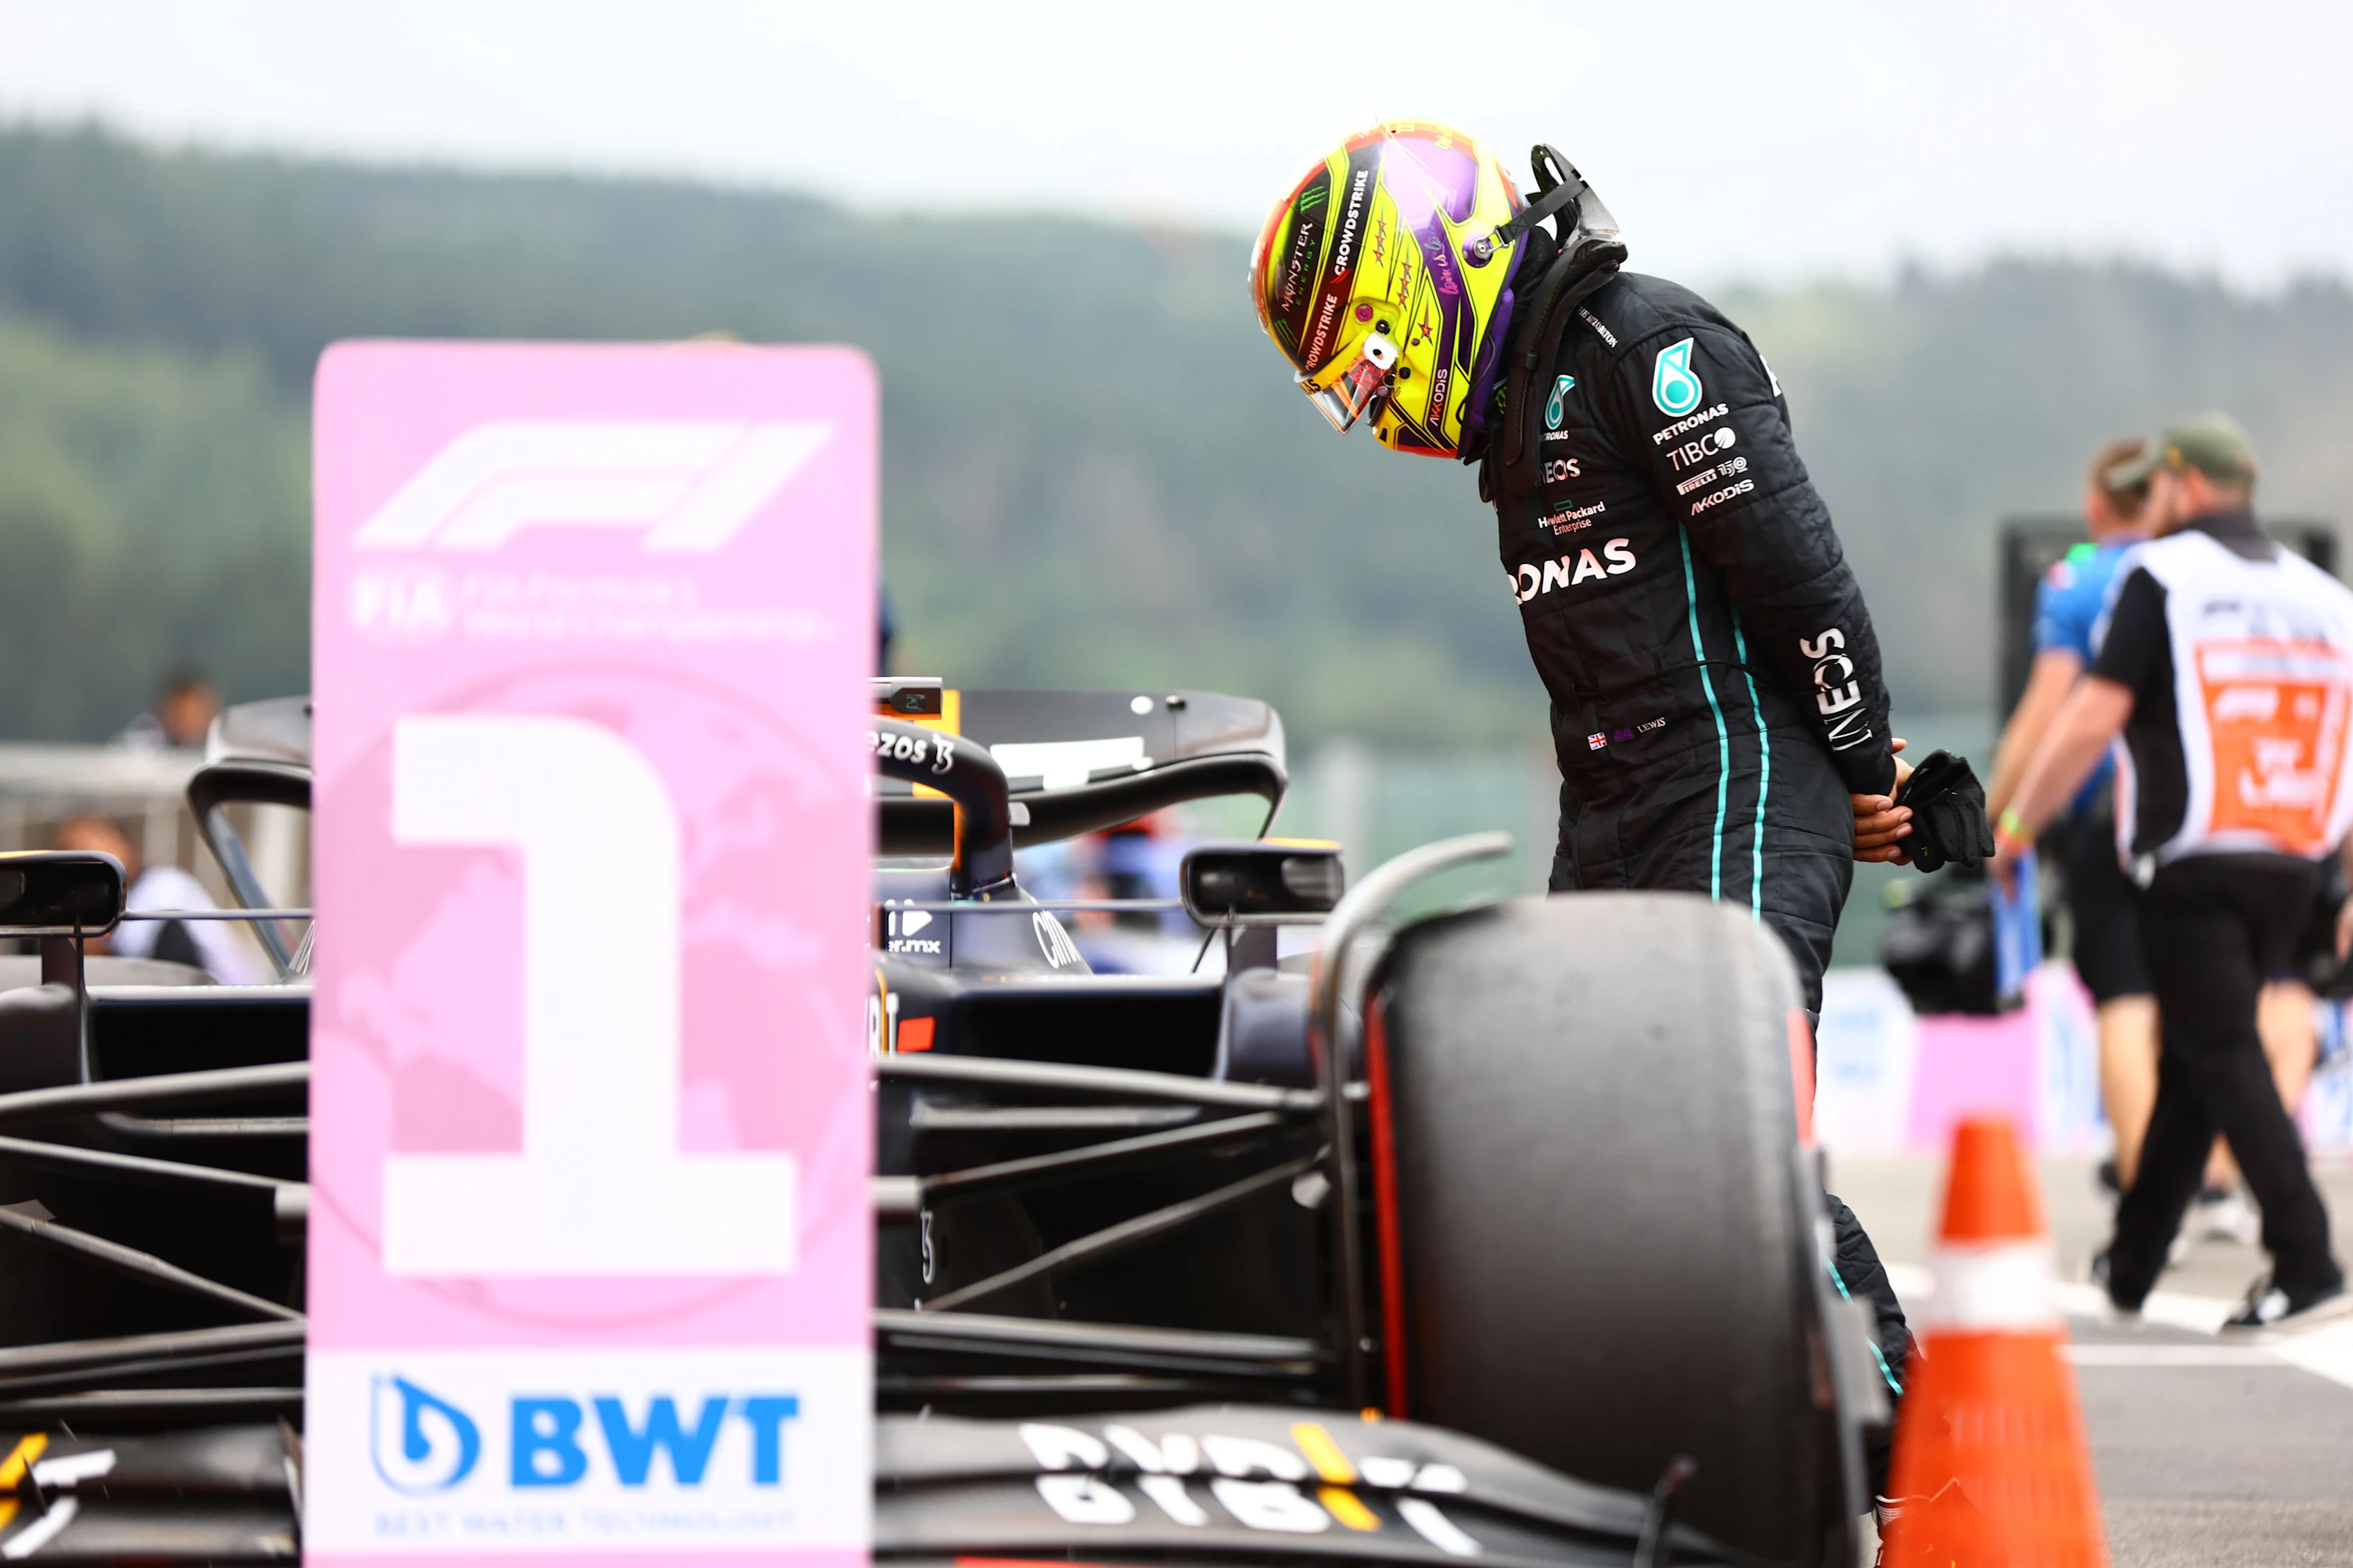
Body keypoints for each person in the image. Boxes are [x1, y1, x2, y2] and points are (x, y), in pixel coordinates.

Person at [1247, 122, 1954, 1477]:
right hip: (1613, 803)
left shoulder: (1646, 345)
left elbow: (1800, 581)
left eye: (1375, 368)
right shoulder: (1515, 416)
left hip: (1739, 774)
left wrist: (1869, 771)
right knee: (1580, 1161)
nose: (1385, 413)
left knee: (1733, 1148)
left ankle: (1939, 1485)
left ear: (1430, 279)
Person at [1994, 413, 2350, 1330]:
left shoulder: (2163, 577)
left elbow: (2088, 718)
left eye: (2154, 489)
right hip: (2294, 860)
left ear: (2186, 488)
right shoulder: (2322, 595)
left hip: (2190, 857)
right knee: (2200, 1053)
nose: (2146, 506)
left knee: (2220, 1051)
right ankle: (2134, 1263)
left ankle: (2306, 1255)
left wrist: (2020, 823)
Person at [1986, 442, 2163, 1194]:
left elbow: (2044, 710)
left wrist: (1997, 813)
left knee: (2122, 991)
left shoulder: (2076, 579)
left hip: (2103, 814)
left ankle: (2145, 1181)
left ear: (2097, 505)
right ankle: (2215, 1178)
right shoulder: (2191, 572)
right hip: (2201, 813)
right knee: (2202, 995)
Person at [50, 816, 262, 984]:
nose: (86, 863)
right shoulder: (100, 908)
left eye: (94, 847)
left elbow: (176, 979)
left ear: (126, 846)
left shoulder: (163, 893)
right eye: (71, 850)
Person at [114, 669, 221, 753]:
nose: (189, 721)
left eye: (196, 714)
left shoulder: (219, 748)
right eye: (183, 713)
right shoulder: (141, 747)